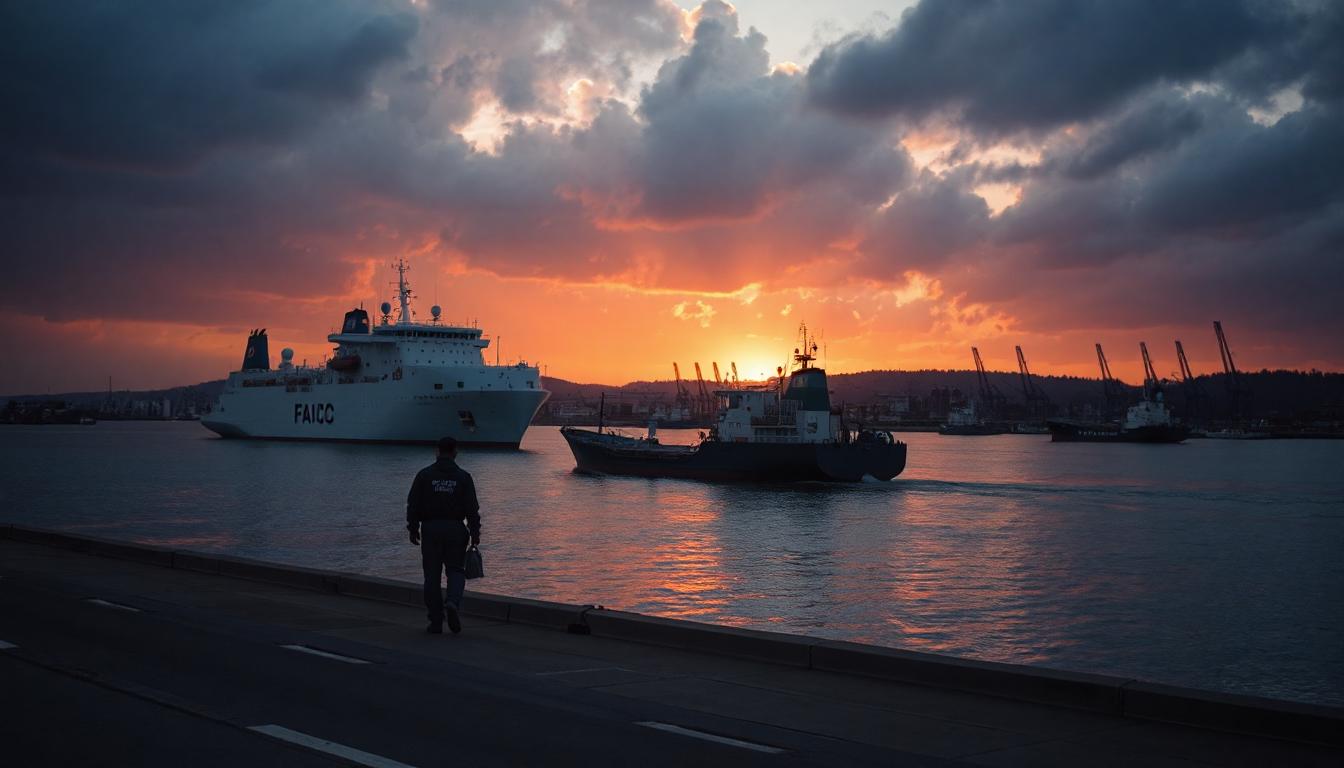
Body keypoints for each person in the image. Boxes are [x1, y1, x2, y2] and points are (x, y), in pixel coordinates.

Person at [407, 436, 480, 634]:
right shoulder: (464, 477)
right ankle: (453, 602)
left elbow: (413, 504)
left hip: (430, 529)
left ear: (437, 451)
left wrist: (413, 528)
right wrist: (475, 533)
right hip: (456, 529)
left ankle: (436, 621)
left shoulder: (424, 475)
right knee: (456, 571)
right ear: (455, 452)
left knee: (431, 577)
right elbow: (472, 509)